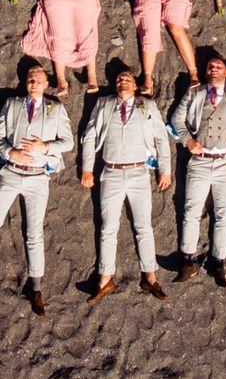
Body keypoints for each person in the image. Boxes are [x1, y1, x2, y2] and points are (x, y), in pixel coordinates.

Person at [0, 59, 75, 315]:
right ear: (26, 83)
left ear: (46, 84)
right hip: (11, 172)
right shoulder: (11, 104)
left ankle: (35, 287)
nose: (34, 84)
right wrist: (12, 153)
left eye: (39, 80)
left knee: (34, 233)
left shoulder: (55, 108)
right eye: (30, 80)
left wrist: (45, 148)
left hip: (37, 178)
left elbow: (68, 143)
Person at [77, 63, 175, 301]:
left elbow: (161, 139)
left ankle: (150, 277)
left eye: (128, 79)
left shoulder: (147, 106)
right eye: (119, 80)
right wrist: (87, 169)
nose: (123, 82)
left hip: (138, 173)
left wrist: (165, 170)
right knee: (108, 228)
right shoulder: (103, 104)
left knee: (143, 226)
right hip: (110, 172)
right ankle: (104, 278)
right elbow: (89, 136)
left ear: (135, 85)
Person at [168, 53, 226, 286]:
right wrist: (188, 141)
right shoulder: (194, 92)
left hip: (225, 162)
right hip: (200, 161)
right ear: (205, 71)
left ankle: (217, 261)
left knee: (223, 213)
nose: (214, 69)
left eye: (219, 66)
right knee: (191, 210)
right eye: (211, 66)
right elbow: (176, 119)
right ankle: (187, 260)